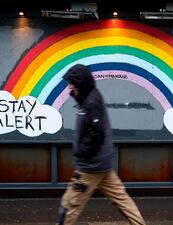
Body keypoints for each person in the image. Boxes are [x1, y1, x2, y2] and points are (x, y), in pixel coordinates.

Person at [57, 64, 146, 225]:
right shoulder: (89, 98)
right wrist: (76, 94)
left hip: (90, 167)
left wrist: (82, 154)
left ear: (80, 83)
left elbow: (96, 134)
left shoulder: (91, 102)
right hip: (103, 164)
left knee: (69, 205)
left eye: (72, 83)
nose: (69, 86)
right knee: (122, 200)